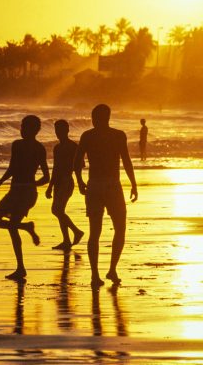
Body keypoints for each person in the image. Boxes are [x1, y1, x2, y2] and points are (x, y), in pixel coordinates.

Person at [74, 104, 137, 288]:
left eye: (94, 117)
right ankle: (111, 269)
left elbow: (76, 162)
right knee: (120, 228)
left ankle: (95, 275)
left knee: (95, 232)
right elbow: (126, 161)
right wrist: (133, 184)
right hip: (111, 185)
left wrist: (79, 181)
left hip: (94, 185)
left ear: (96, 118)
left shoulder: (88, 136)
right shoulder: (118, 135)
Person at [0, 115, 49, 281]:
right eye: (21, 126)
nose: (21, 130)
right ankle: (27, 227)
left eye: (24, 127)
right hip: (18, 192)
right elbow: (15, 168)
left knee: (11, 227)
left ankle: (21, 268)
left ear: (33, 130)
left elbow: (44, 176)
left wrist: (30, 186)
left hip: (23, 193)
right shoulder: (28, 146)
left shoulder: (31, 147)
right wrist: (2, 180)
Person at [45, 119, 84, 251]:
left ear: (67, 130)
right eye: (56, 130)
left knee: (56, 210)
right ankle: (66, 240)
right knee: (59, 211)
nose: (58, 133)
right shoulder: (57, 148)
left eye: (60, 130)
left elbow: (79, 166)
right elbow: (55, 168)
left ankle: (77, 232)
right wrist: (50, 186)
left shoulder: (73, 146)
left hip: (67, 181)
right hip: (58, 181)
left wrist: (80, 181)